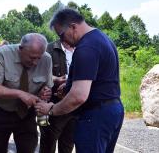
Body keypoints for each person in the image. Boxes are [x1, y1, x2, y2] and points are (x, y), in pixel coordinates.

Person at [35, 8, 124, 153]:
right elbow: (98, 78)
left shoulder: (86, 47)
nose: (62, 40)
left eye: (62, 35)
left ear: (73, 26)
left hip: (95, 116)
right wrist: (69, 84)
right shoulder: (101, 38)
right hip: (110, 110)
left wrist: (51, 109)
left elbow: (78, 96)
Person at [0, 33, 53, 153]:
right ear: (20, 49)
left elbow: (47, 86)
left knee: (28, 148)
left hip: (27, 114)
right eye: (32, 57)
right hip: (0, 112)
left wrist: (45, 92)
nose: (36, 62)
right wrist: (21, 94)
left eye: (39, 58)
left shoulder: (47, 59)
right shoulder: (2, 54)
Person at [39, 39, 75, 153]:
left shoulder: (82, 49)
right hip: (51, 105)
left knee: (68, 145)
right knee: (47, 145)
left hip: (75, 106)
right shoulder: (48, 49)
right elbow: (38, 74)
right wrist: (56, 79)